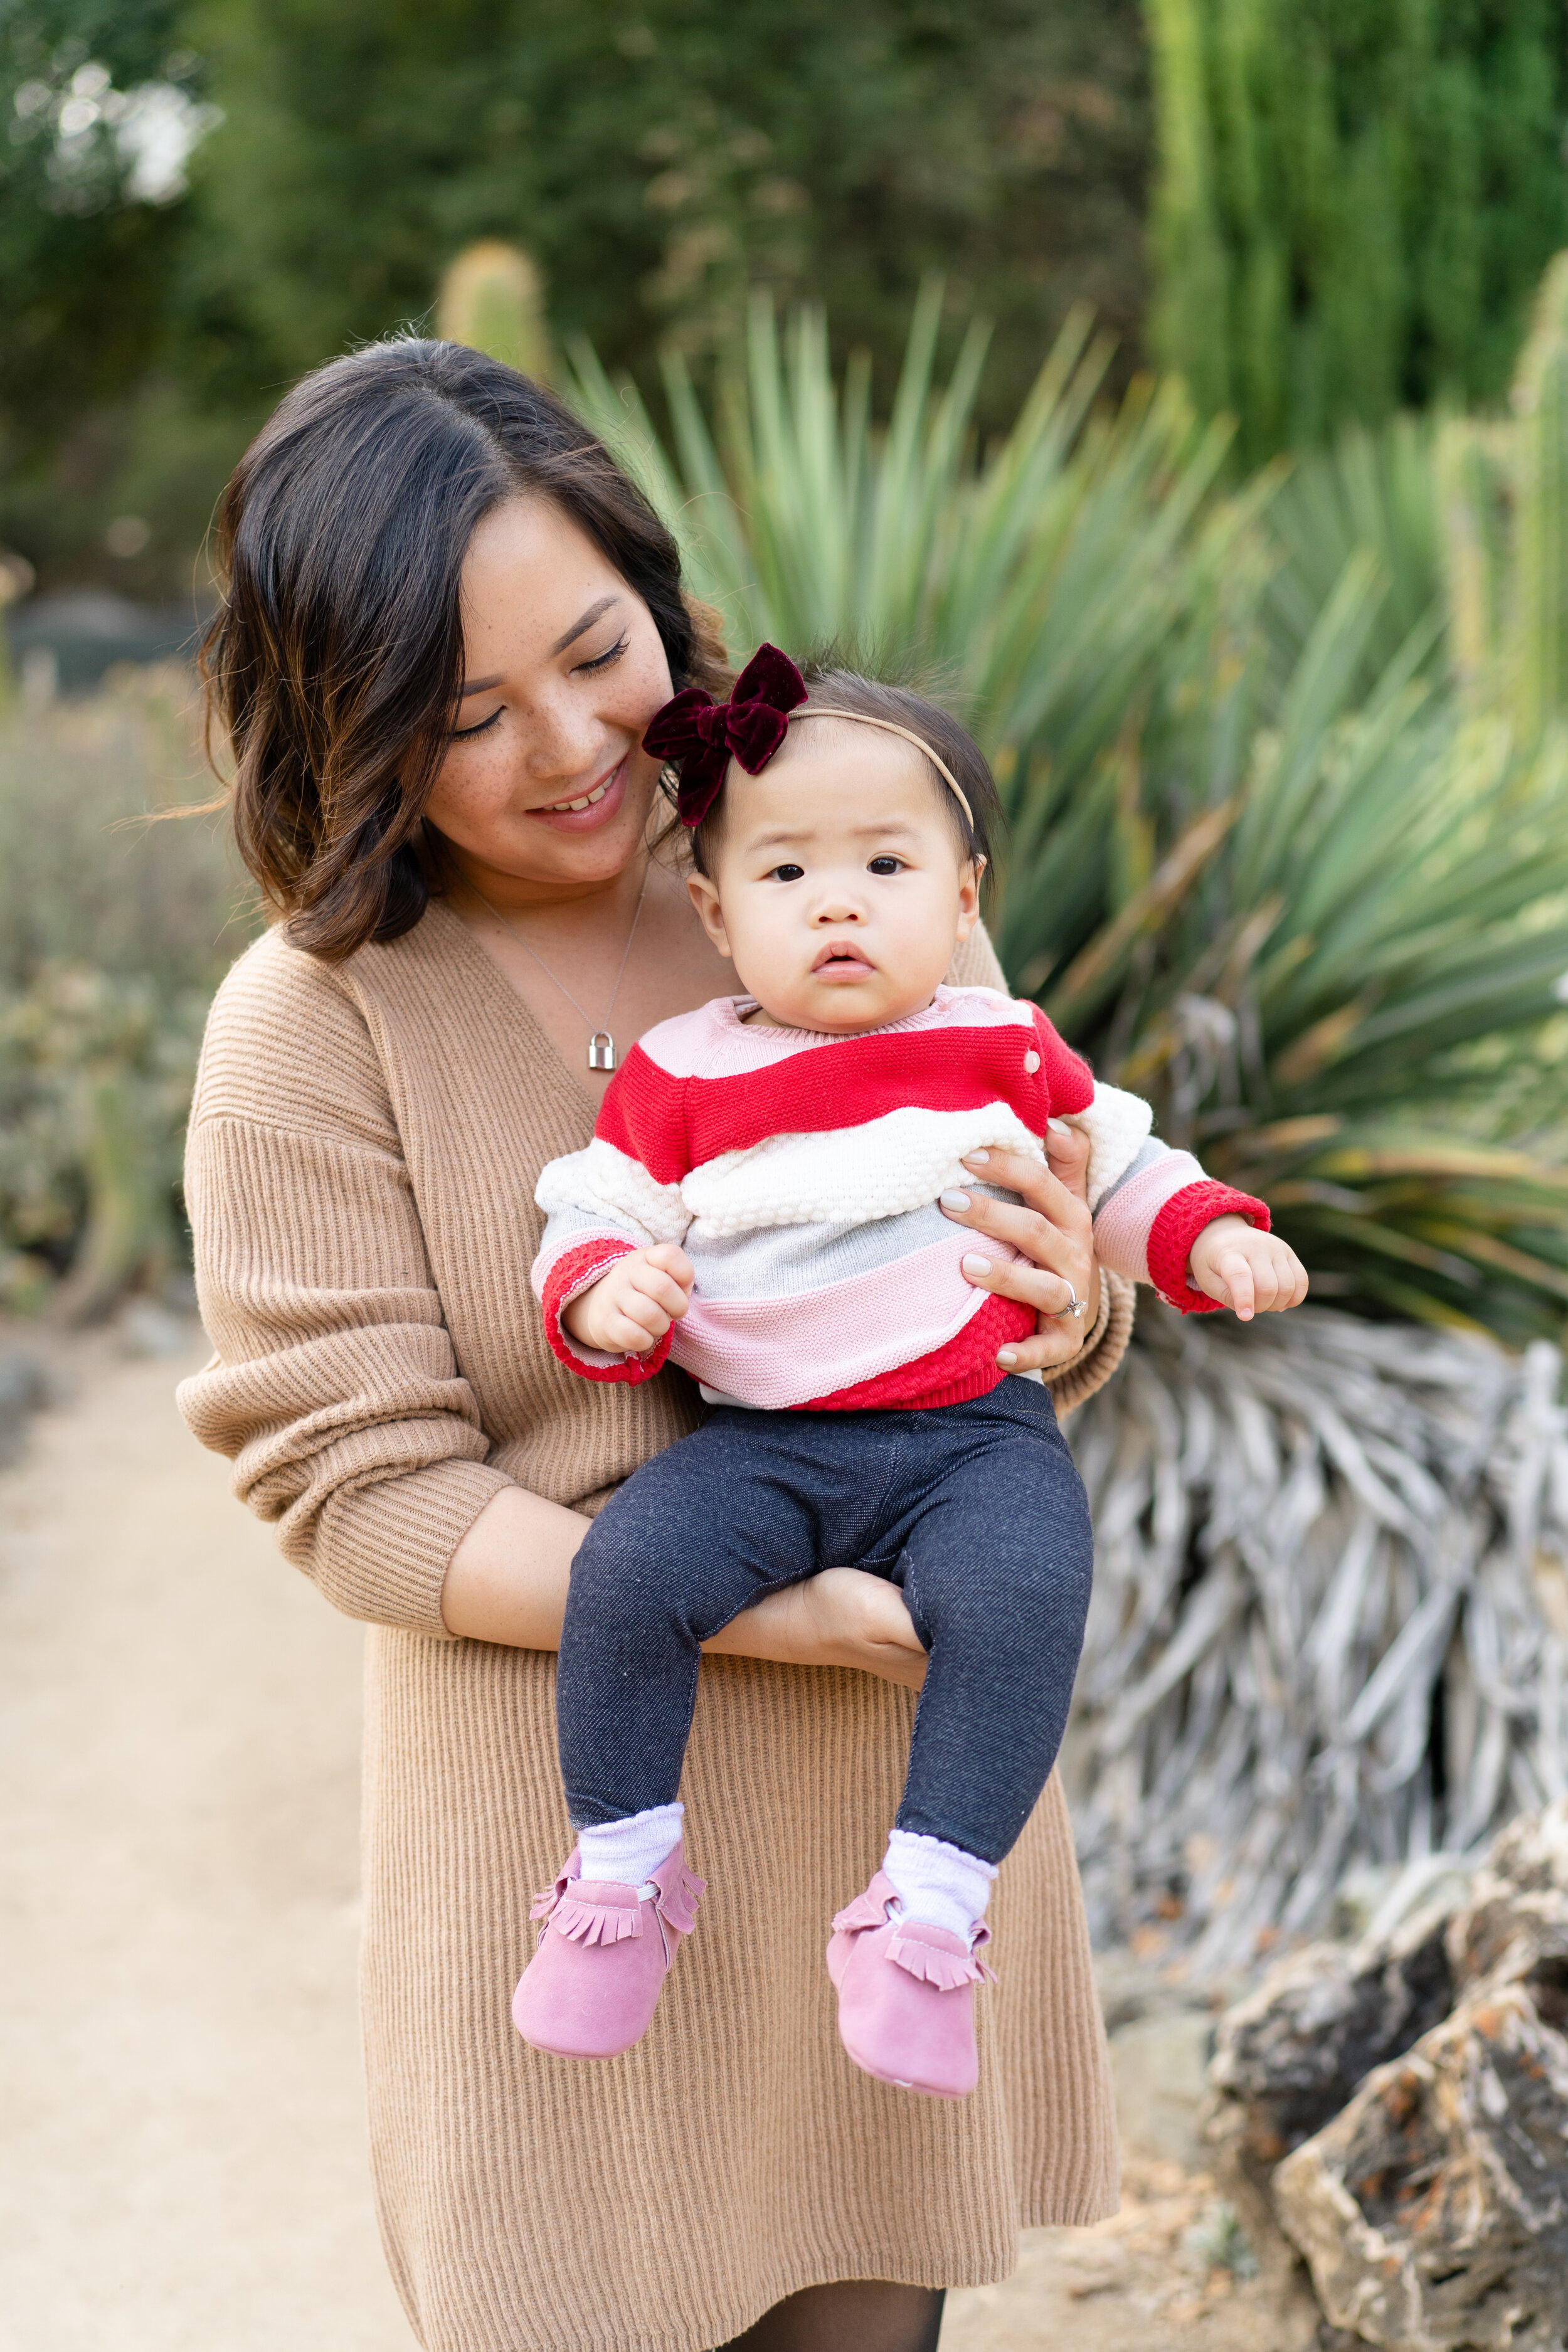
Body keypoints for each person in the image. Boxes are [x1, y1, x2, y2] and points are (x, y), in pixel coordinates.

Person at [178, 337, 1136, 2352]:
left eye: (595, 648)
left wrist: (1077, 1294)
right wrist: (779, 1619)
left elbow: (1023, 1270)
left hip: (900, 1845)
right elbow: (359, 1496)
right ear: (343, 729)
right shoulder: (315, 1021)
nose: (566, 744)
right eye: (461, 714)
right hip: (573, 1854)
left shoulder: (821, 862)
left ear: (658, 588)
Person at [514, 647, 1307, 2099]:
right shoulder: (682, 1071)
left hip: (970, 1436)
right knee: (624, 1574)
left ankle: (925, 1913)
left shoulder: (997, 1043)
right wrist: (602, 1292)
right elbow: (598, 1207)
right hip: (761, 1444)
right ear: (710, 910)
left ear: (962, 899)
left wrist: (1205, 1235)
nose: (835, 902)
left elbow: (1120, 1167)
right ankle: (620, 1875)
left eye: (884, 864)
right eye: (783, 875)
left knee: (1021, 1596)